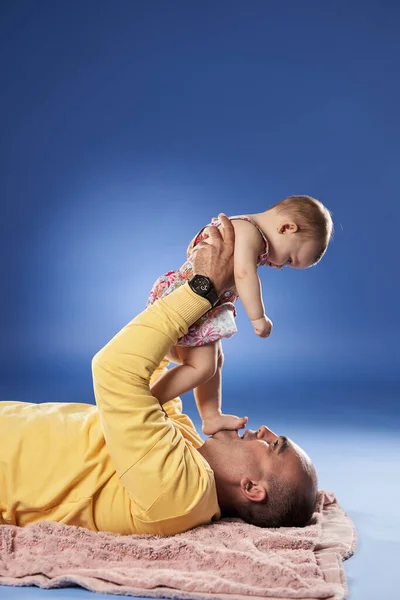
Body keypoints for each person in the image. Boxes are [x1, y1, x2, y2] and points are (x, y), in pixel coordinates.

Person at [0, 215, 317, 536]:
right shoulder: (190, 454)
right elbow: (149, 376)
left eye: (273, 445)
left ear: (251, 488)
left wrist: (201, 291)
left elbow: (115, 369)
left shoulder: (179, 493)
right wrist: (198, 320)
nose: (263, 430)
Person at [148, 196, 333, 436]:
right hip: (190, 303)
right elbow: (244, 274)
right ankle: (149, 403)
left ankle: (211, 415)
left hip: (202, 306)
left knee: (215, 362)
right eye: (288, 260)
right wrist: (259, 318)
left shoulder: (241, 228)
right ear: (287, 228)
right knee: (202, 367)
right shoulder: (248, 231)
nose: (279, 266)